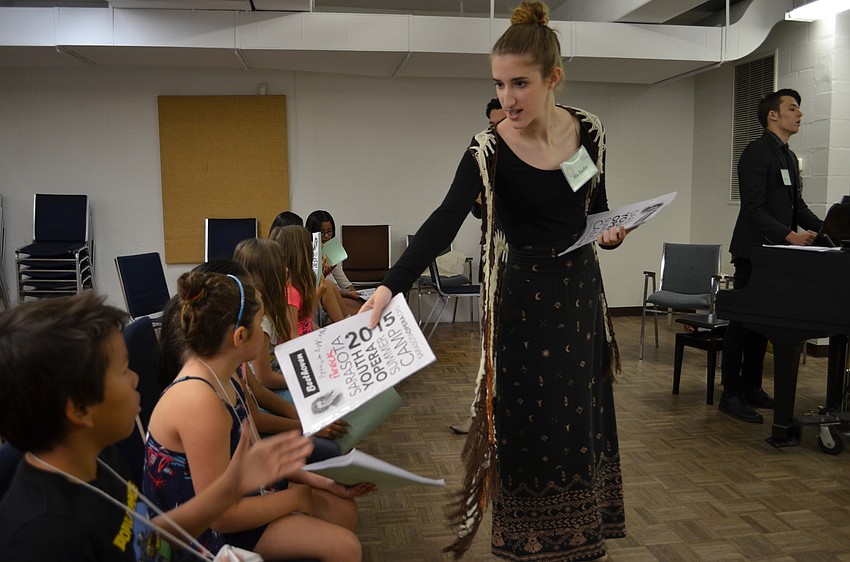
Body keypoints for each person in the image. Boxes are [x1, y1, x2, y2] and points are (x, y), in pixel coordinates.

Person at [361, 3, 629, 559]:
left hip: (579, 297)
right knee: (529, 426)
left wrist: (611, 232)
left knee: (577, 421)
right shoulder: (487, 151)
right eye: (499, 84)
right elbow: (441, 223)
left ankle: (580, 535)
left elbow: (596, 207)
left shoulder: (591, 133)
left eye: (520, 84)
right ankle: (527, 540)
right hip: (523, 304)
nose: (508, 99)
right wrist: (389, 289)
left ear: (554, 78)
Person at [0, 292, 314, 561]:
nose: (136, 379)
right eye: (123, 371)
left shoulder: (97, 456)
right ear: (80, 409)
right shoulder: (44, 538)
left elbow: (141, 539)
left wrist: (231, 485)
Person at [143, 271, 373, 561]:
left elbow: (255, 456)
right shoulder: (199, 402)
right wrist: (299, 497)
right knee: (345, 547)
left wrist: (320, 483)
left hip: (236, 498)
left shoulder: (226, 374)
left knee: (344, 511)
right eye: (260, 323)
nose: (266, 334)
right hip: (200, 535)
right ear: (240, 337)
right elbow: (220, 518)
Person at [719, 88, 823, 423]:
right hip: (754, 253)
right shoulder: (756, 152)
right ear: (772, 116)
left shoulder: (789, 157)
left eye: (799, 109)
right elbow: (752, 209)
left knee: (763, 326)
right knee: (742, 325)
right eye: (793, 108)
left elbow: (797, 207)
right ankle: (731, 394)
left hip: (777, 255)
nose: (800, 114)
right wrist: (790, 235)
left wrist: (826, 230)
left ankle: (751, 386)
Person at [452, 97, 508, 435]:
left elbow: (589, 195)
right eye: (493, 125)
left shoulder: (568, 144)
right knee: (492, 345)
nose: (498, 131)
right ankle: (484, 416)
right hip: (496, 262)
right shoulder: (483, 153)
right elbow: (462, 210)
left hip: (543, 269)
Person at [305, 210, 363, 318]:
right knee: (359, 314)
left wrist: (357, 294)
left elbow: (343, 280)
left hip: (337, 294)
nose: (327, 236)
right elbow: (317, 287)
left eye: (330, 231)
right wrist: (324, 274)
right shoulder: (309, 254)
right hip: (324, 302)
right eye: (322, 233)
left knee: (364, 307)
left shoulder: (331, 249)